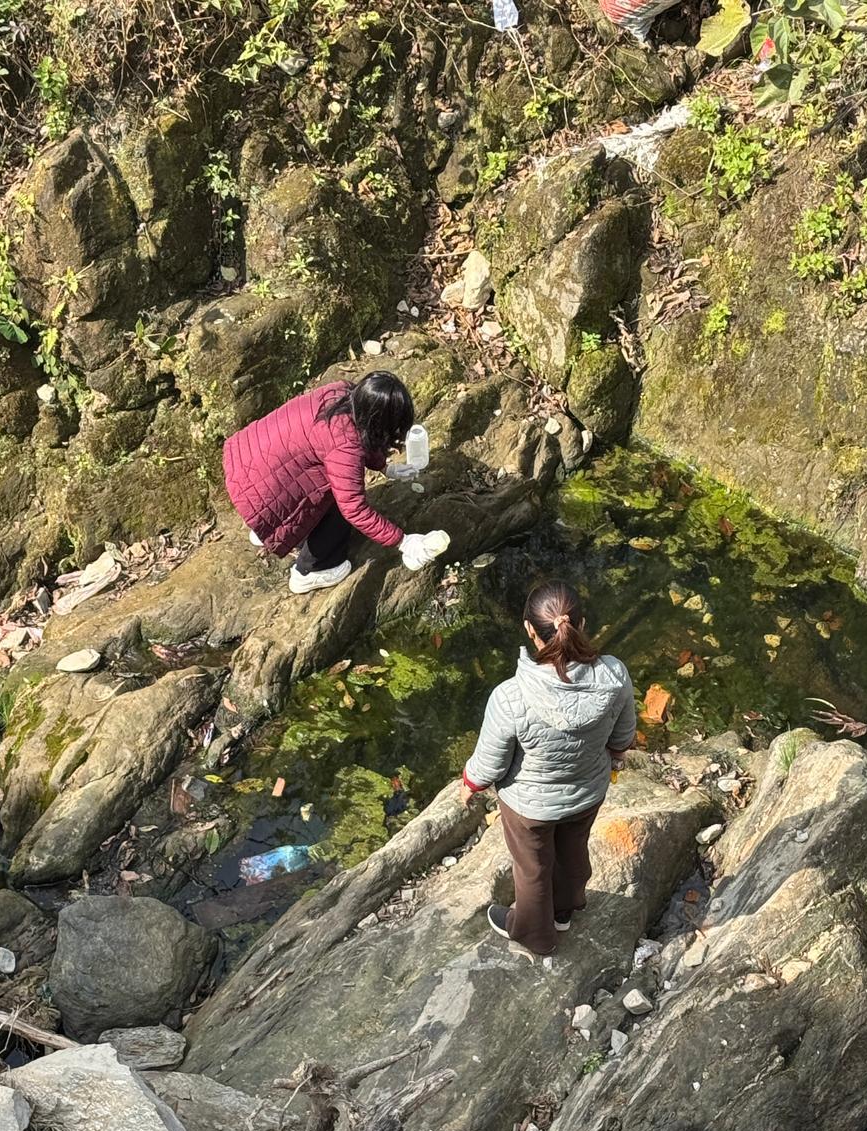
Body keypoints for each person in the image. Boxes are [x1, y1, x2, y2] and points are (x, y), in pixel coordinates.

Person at [461, 581, 637, 957]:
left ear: (529, 630)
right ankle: (564, 910)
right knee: (572, 851)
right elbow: (623, 737)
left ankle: (534, 935)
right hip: (588, 792)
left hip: (529, 807)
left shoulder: (510, 696)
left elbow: (490, 763)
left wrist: (469, 783)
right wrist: (613, 759)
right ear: (581, 623)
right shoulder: (614, 674)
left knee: (532, 869)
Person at [223, 371, 442, 594]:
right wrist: (403, 542)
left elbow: (364, 431)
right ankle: (311, 570)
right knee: (337, 500)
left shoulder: (342, 392)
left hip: (246, 462)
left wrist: (385, 468)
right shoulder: (345, 446)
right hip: (261, 491)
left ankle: (265, 526)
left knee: (315, 474)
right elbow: (354, 509)